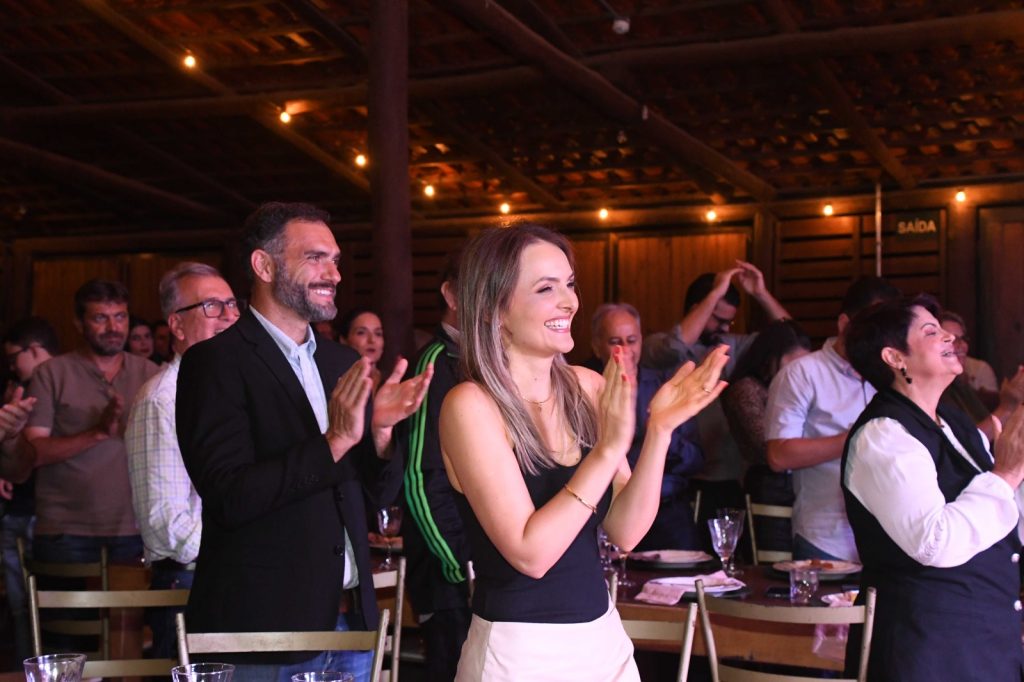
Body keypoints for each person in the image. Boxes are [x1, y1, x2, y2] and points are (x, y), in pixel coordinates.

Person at [439, 223, 728, 681]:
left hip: (602, 637)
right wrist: (607, 450)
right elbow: (531, 554)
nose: (569, 301)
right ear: (495, 307)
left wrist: (659, 431)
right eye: (546, 288)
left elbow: (627, 532)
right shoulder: (470, 405)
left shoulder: (587, 387)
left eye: (570, 284)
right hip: (518, 649)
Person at [175, 202, 432, 682]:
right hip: (263, 632)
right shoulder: (215, 362)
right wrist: (334, 441)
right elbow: (230, 496)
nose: (333, 274)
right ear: (264, 265)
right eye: (315, 258)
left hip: (351, 625)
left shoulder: (341, 362)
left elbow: (376, 496)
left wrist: (379, 434)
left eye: (335, 261)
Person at [841, 294, 1024, 681]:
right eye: (931, 331)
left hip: (984, 639)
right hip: (927, 648)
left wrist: (1016, 472)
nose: (949, 337)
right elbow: (934, 541)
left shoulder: (955, 424)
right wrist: (1006, 474)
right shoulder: (884, 434)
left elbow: (1002, 516)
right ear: (895, 357)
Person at [125, 262, 241, 657]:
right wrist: (250, 546)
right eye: (211, 306)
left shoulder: (231, 390)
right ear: (176, 325)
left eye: (232, 304)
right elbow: (167, 526)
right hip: (191, 585)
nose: (228, 316)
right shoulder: (162, 399)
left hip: (238, 577)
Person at [642, 263, 791, 524]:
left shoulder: (733, 345)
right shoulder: (658, 346)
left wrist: (761, 293)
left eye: (729, 321)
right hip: (676, 481)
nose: (725, 328)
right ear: (696, 308)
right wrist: (714, 294)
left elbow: (788, 338)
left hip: (730, 477)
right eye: (719, 320)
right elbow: (676, 345)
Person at [24, 280, 159, 567]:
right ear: (79, 323)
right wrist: (96, 433)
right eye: (100, 318)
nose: (113, 327)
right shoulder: (52, 373)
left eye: (120, 317)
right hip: (65, 529)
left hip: (135, 527)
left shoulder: (151, 374)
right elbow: (33, 452)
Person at [765, 276, 901, 561]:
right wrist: (856, 437)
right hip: (827, 539)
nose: (880, 340)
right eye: (872, 328)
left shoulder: (891, 375)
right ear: (844, 324)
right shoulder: (802, 373)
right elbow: (778, 455)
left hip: (889, 535)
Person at [398, 250, 471, 682]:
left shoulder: (485, 362)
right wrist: (460, 566)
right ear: (451, 295)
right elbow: (420, 478)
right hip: (451, 581)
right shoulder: (435, 363)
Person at [588, 302, 704, 551]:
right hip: (607, 514)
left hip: (668, 510)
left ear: (641, 341)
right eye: (615, 342)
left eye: (632, 340)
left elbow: (696, 460)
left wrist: (663, 432)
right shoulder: (586, 391)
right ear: (596, 346)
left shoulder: (663, 387)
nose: (625, 350)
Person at [720, 319, 810, 554]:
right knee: (778, 562)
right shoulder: (746, 389)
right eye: (792, 366)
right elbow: (765, 445)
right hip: (770, 485)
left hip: (801, 482)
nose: (798, 374)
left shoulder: (799, 389)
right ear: (769, 359)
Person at [0, 317, 56, 667]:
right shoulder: (16, 391)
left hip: (49, 515)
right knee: (23, 606)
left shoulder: (58, 383)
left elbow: (38, 453)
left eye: (14, 357)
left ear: (34, 350)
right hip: (21, 509)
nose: (11, 366)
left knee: (40, 607)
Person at [938, 310, 1024, 440]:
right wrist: (1007, 407)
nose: (962, 345)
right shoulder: (936, 393)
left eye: (963, 339)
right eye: (952, 339)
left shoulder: (961, 386)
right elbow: (964, 445)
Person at [339, 308, 385, 392]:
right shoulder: (336, 381)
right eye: (361, 333)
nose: (372, 340)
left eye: (378, 334)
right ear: (344, 340)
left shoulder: (393, 380)